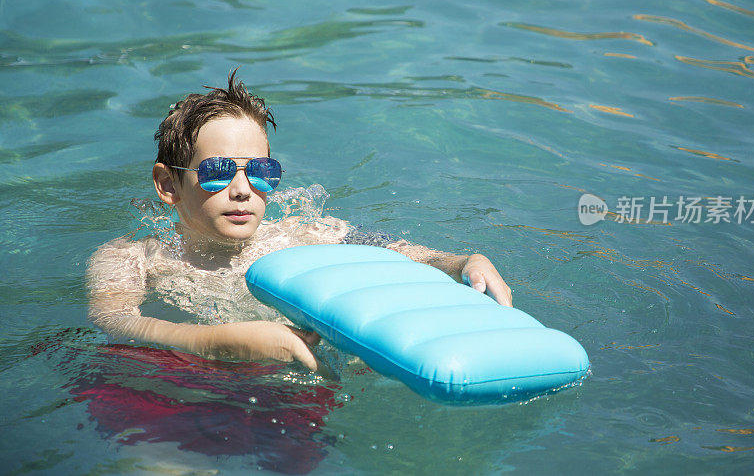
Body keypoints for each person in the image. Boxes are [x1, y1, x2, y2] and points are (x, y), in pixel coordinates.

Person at [87, 70, 513, 373]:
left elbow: (397, 252)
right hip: (185, 380)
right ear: (168, 184)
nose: (242, 190)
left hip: (286, 390)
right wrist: (222, 341)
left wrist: (461, 262)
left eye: (261, 172)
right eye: (217, 171)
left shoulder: (301, 233)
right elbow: (118, 321)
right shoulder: (131, 258)